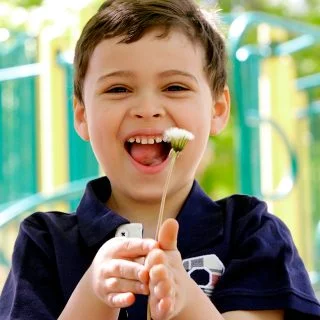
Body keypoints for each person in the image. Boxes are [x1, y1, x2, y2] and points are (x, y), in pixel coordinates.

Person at [1, 0, 320, 319]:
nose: (147, 107)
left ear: (217, 110)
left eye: (175, 86)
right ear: (82, 114)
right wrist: (95, 294)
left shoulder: (253, 233)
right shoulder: (44, 243)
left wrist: (186, 301)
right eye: (119, 88)